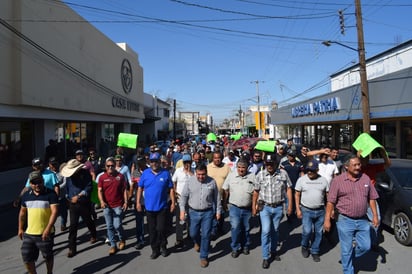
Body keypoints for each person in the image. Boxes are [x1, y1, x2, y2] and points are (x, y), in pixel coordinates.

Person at [324, 155, 379, 274]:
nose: (358, 167)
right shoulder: (338, 181)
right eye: (354, 165)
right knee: (346, 249)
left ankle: (347, 259)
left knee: (366, 246)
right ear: (346, 167)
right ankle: (348, 270)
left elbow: (372, 198)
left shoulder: (365, 179)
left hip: (363, 220)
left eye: (359, 164)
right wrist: (327, 219)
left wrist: (375, 216)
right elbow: (330, 201)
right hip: (345, 220)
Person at [252, 153, 293, 269]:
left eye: (272, 163)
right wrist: (253, 207)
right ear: (265, 163)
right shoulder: (260, 175)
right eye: (268, 163)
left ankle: (273, 251)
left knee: (275, 230)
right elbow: (255, 192)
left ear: (276, 163)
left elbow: (289, 189)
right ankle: (265, 257)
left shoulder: (283, 174)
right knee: (265, 231)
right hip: (265, 207)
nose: (269, 166)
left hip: (278, 207)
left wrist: (289, 206)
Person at [179, 163, 222, 268]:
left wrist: (218, 211)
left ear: (206, 173)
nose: (201, 177)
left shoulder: (212, 182)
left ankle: (203, 256)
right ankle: (197, 242)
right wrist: (182, 210)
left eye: (203, 174)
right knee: (193, 233)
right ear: (195, 173)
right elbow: (183, 197)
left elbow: (217, 198)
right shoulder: (190, 181)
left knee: (206, 235)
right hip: (193, 212)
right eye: (199, 174)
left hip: (207, 212)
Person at [136, 152, 176, 259]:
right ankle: (155, 249)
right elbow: (139, 188)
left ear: (160, 162)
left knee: (161, 229)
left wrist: (173, 202)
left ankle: (163, 246)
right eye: (152, 162)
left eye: (156, 161)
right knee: (152, 231)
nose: (154, 164)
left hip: (162, 207)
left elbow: (171, 188)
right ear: (150, 162)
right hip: (149, 208)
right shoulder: (145, 173)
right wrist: (138, 202)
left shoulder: (165, 173)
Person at [18, 171, 59, 274]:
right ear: (30, 183)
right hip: (29, 233)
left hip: (45, 232)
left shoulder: (51, 194)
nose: (37, 185)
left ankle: (49, 272)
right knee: (26, 256)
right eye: (34, 183)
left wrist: (48, 229)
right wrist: (20, 228)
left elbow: (54, 212)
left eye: (39, 182)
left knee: (47, 256)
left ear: (43, 181)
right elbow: (22, 213)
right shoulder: (26, 195)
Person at [294, 159, 329, 262]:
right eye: (308, 170)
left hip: (320, 210)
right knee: (307, 231)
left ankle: (315, 251)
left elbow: (328, 196)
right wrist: (298, 209)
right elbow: (297, 194)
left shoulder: (323, 180)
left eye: (312, 170)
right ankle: (304, 246)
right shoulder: (302, 180)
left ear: (317, 170)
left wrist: (330, 211)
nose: (309, 172)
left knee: (318, 232)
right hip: (306, 210)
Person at [62, 159, 97, 258]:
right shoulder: (69, 177)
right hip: (72, 204)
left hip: (83, 202)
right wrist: (68, 197)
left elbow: (89, 187)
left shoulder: (85, 174)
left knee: (88, 220)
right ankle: (72, 248)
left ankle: (94, 234)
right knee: (73, 226)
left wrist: (79, 196)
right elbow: (67, 188)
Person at [358, 146, 391, 251]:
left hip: (370, 198)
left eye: (367, 157)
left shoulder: (372, 167)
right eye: (363, 158)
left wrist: (384, 154)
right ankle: (356, 240)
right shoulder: (356, 168)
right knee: (356, 219)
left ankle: (373, 242)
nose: (365, 159)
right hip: (358, 198)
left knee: (377, 219)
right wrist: (358, 156)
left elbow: (388, 164)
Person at [222, 159, 255, 258]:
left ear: (247, 168)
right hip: (234, 207)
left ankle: (245, 245)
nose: (241, 170)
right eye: (239, 167)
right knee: (235, 227)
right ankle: (235, 247)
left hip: (247, 208)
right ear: (237, 168)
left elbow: (256, 193)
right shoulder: (231, 175)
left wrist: (255, 207)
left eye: (243, 167)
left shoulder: (252, 176)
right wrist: (224, 202)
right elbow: (225, 189)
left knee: (246, 228)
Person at [98, 157, 128, 255]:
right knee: (109, 226)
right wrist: (101, 202)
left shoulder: (120, 176)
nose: (110, 167)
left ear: (115, 166)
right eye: (108, 166)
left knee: (117, 225)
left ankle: (122, 239)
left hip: (118, 205)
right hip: (107, 206)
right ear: (105, 167)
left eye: (112, 166)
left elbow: (124, 190)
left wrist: (126, 202)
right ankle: (112, 245)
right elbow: (100, 191)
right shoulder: (102, 177)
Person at [172, 153, 194, 248]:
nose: (187, 164)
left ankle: (190, 235)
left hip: (191, 199)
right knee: (180, 219)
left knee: (190, 218)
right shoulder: (178, 171)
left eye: (188, 162)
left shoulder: (193, 172)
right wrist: (175, 192)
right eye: (185, 162)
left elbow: (197, 182)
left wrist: (189, 173)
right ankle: (179, 239)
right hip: (180, 198)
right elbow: (174, 182)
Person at [207, 150, 230, 238]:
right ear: (213, 158)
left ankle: (220, 228)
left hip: (222, 195)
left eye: (219, 158)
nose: (217, 160)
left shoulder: (226, 167)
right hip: (211, 195)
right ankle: (213, 230)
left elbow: (230, 180)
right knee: (213, 213)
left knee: (222, 213)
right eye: (215, 158)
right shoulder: (208, 167)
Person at [280, 149, 304, 220]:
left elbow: (302, 173)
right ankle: (289, 215)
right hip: (287, 186)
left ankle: (294, 212)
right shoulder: (284, 164)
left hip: (296, 185)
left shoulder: (299, 164)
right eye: (290, 156)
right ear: (287, 156)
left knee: (295, 200)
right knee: (289, 201)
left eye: (293, 156)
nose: (291, 157)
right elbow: (281, 174)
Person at [130, 157, 148, 250]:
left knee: (151, 220)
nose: (140, 164)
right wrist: (130, 197)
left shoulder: (149, 171)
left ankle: (154, 237)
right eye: (138, 163)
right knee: (139, 221)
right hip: (138, 199)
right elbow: (132, 185)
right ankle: (140, 240)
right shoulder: (135, 172)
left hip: (149, 199)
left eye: (141, 162)